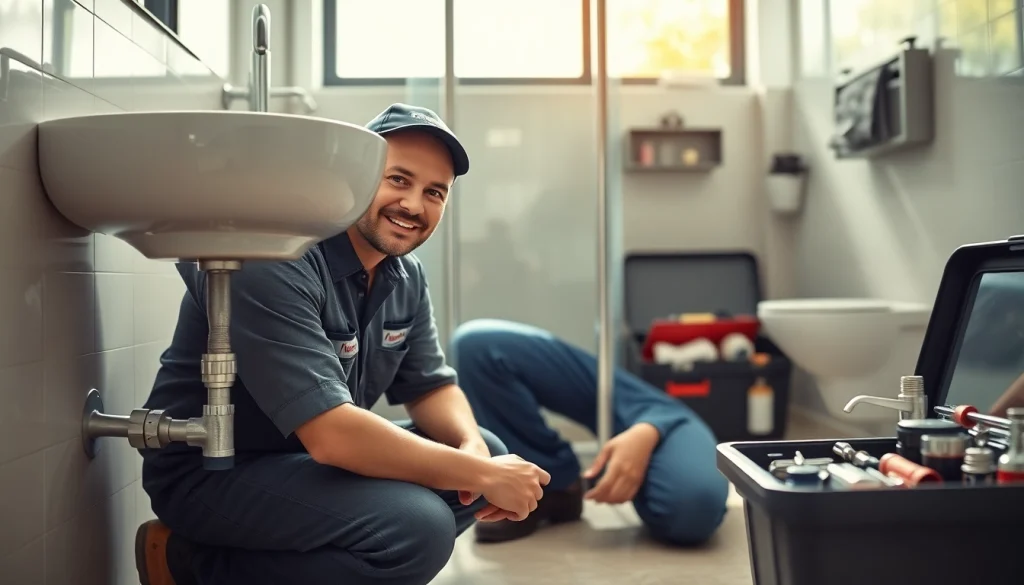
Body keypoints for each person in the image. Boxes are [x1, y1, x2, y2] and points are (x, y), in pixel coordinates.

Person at [133, 104, 551, 585]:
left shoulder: (404, 275)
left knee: (483, 449)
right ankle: (192, 565)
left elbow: (430, 387)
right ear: (353, 177)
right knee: (418, 526)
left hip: (301, 463)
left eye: (434, 192)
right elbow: (332, 436)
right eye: (398, 180)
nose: (414, 205)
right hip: (212, 473)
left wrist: (473, 451)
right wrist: (480, 475)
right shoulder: (278, 257)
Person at [450, 319, 730, 546]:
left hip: (659, 411)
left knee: (693, 509)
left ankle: (655, 426)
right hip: (610, 396)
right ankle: (554, 484)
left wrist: (647, 431)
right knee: (477, 343)